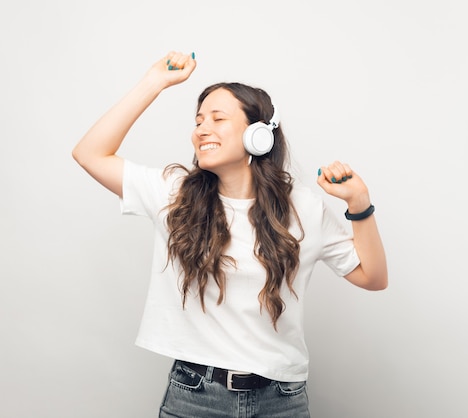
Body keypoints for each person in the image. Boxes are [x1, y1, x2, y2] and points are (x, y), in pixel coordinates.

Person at [72, 51, 387, 418]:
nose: (201, 129)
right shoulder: (174, 194)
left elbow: (373, 277)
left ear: (257, 135)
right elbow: (89, 153)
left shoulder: (303, 208)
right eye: (198, 120)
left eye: (218, 119)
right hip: (195, 397)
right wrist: (154, 82)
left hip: (281, 399)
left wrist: (359, 205)